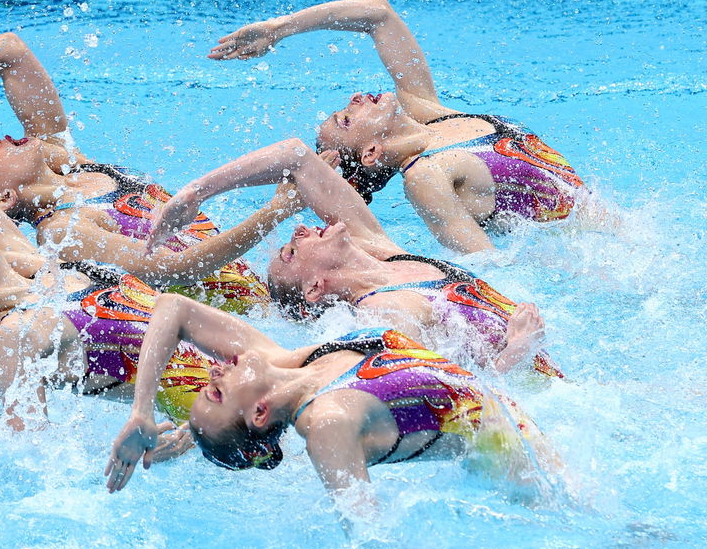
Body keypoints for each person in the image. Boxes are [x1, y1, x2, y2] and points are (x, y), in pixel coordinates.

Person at [0, 161, 302, 431]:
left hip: (257, 363)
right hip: (231, 413)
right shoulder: (18, 332)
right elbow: (31, 452)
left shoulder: (47, 272)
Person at [0, 32, 271, 312]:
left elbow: (9, 51)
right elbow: (180, 269)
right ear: (3, 201)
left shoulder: (71, 161)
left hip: (268, 294)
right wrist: (279, 209)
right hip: (248, 319)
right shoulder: (64, 231)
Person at [104, 294, 558, 527]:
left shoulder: (294, 363)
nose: (212, 377)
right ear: (260, 414)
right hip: (534, 480)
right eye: (217, 395)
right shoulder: (327, 423)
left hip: (519, 431)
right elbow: (371, 539)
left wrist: (142, 409)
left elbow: (173, 309)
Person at [149, 138, 561, 378]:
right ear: (315, 287)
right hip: (541, 409)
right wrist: (519, 348)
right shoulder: (386, 312)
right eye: (292, 252)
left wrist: (195, 193)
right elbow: (454, 391)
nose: (299, 229)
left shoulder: (386, 253)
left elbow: (295, 156)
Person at [209, 0, 584, 253]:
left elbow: (378, 13)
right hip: (594, 254)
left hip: (623, 230)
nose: (354, 99)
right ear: (371, 152)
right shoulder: (426, 176)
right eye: (346, 119)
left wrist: (281, 28)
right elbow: (489, 265)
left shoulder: (429, 111)